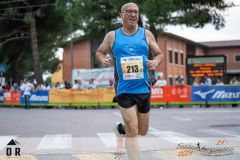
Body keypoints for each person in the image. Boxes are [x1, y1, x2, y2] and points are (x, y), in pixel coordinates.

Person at [96, 2, 163, 160]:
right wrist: (102, 59)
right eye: (129, 12)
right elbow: (99, 51)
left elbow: (159, 53)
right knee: (133, 131)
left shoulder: (147, 34)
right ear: (122, 15)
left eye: (136, 12)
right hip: (124, 90)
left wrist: (156, 62)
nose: (133, 15)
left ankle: (121, 128)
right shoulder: (112, 36)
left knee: (143, 130)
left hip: (144, 89)